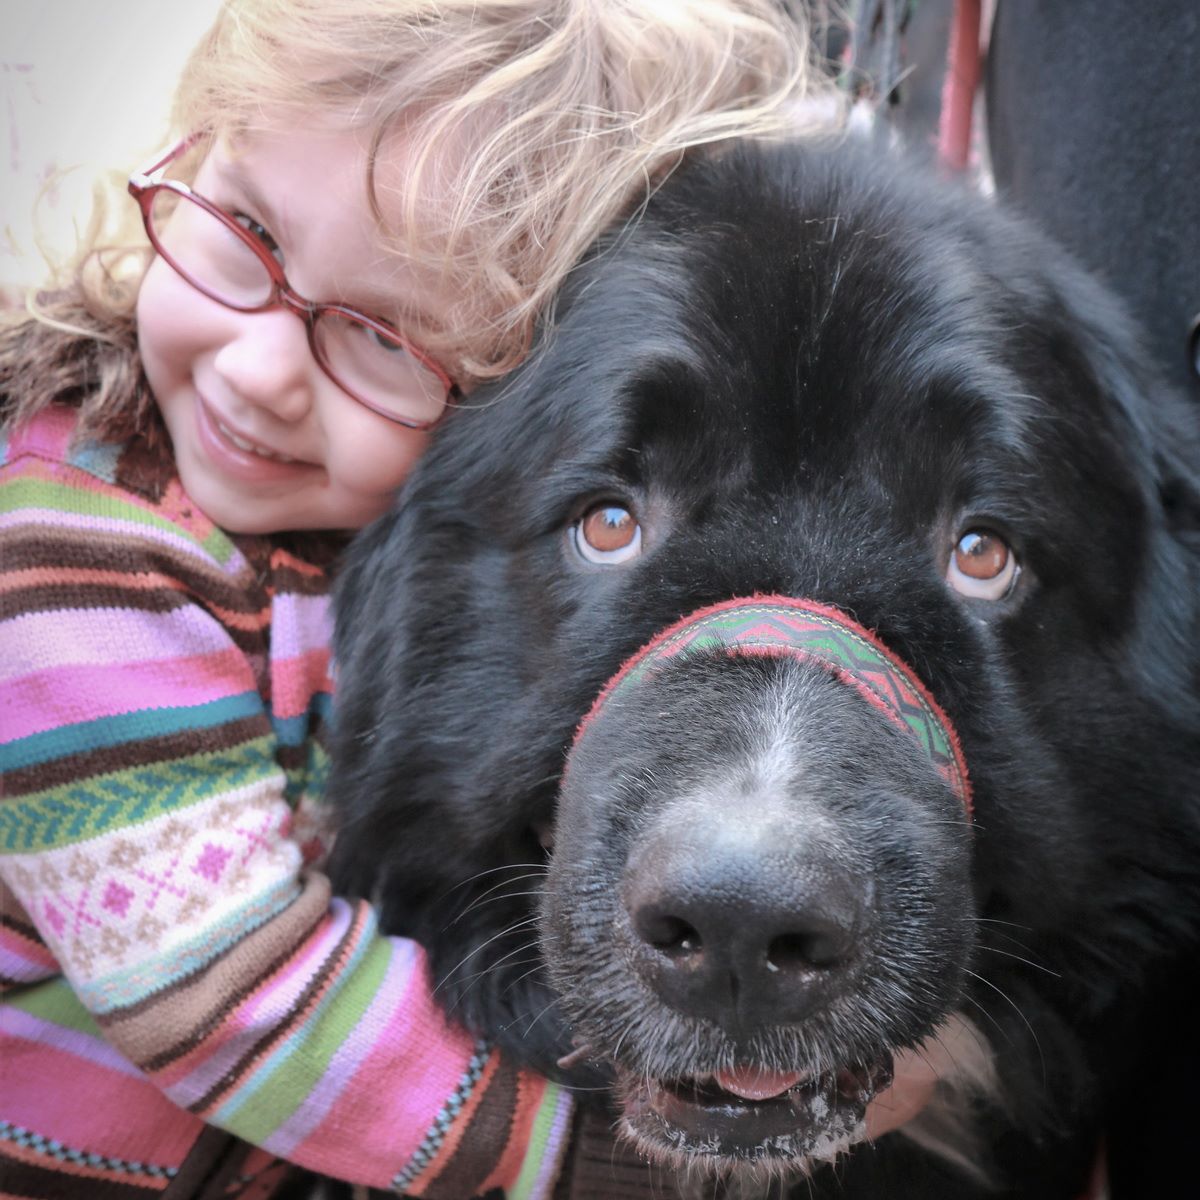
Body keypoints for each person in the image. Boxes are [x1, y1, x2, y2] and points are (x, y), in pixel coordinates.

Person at [0, 2, 837, 1196]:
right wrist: (625, 1161)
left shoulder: (368, 536)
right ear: (191, 148)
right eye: (244, 231)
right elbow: (238, 1006)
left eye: (385, 338)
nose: (259, 370)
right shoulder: (75, 562)